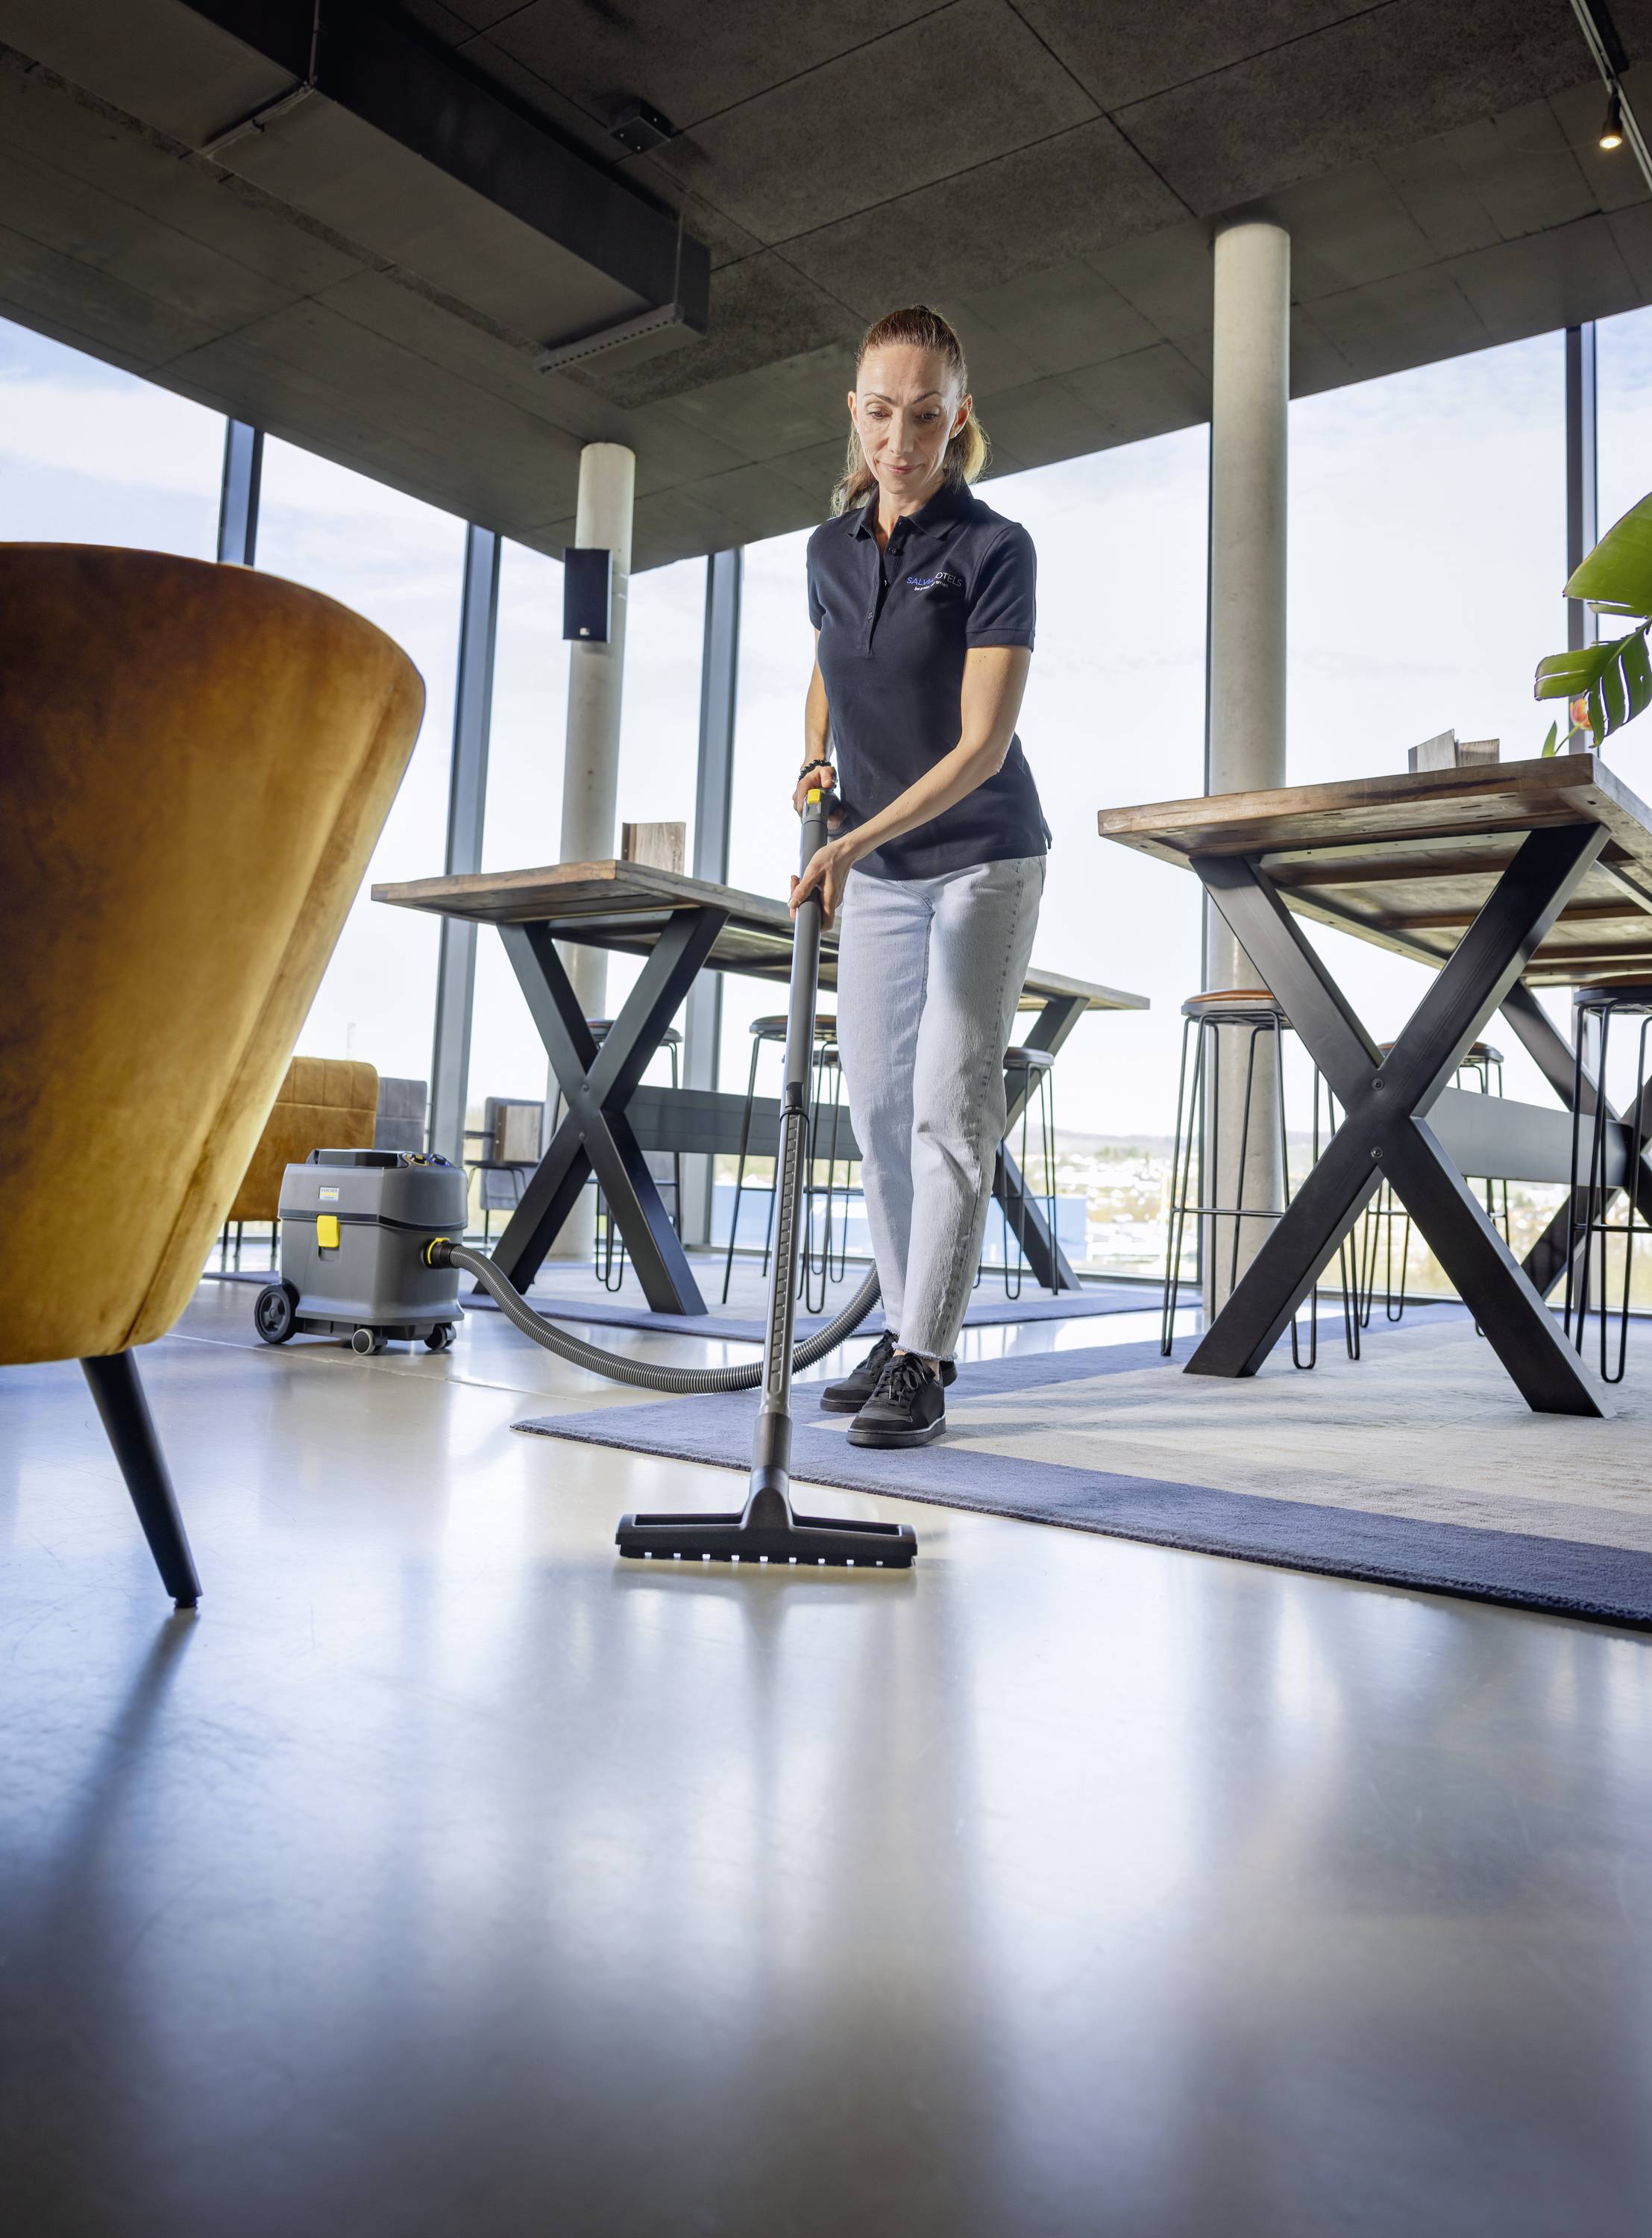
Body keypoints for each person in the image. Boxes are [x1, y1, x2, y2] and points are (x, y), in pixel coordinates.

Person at [789, 304, 1047, 1449]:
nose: (902, 441)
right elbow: (829, 666)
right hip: (882, 871)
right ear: (856, 412)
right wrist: (814, 763)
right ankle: (900, 1327)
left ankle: (925, 1360)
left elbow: (982, 747)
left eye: (927, 417)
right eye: (883, 414)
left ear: (959, 418)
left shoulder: (995, 549)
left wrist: (849, 841)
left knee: (949, 1103)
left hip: (984, 856)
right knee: (879, 1109)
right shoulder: (828, 549)